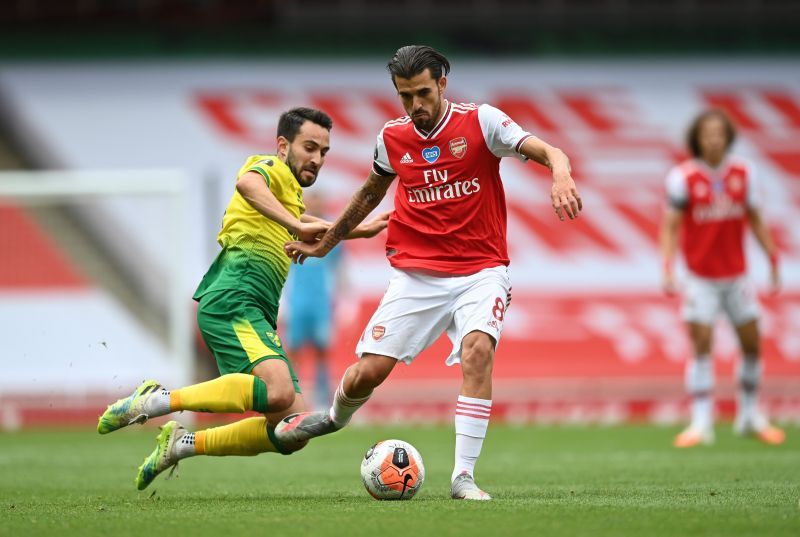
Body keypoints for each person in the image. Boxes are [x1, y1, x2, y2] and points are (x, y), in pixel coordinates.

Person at [275, 45, 582, 500]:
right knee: (366, 375)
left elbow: (548, 149)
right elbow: (368, 194)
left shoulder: (482, 122)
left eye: (422, 93)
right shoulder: (392, 138)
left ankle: (463, 477)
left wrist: (560, 173)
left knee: (478, 351)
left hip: (482, 270)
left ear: (442, 84)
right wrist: (329, 241)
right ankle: (335, 418)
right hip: (416, 276)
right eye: (405, 96)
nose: (415, 106)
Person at [96, 107, 389, 490]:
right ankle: (154, 401)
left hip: (255, 308)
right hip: (235, 295)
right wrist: (298, 224)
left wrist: (359, 230)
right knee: (281, 390)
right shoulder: (268, 167)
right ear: (283, 145)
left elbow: (312, 228)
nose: (317, 159)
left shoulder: (291, 197)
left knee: (292, 430)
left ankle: (183, 444)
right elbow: (248, 185)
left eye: (324, 152)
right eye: (310, 147)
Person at [659, 108, 785, 448]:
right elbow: (670, 226)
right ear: (697, 139)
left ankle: (749, 416)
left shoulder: (744, 172)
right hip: (700, 277)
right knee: (701, 344)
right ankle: (701, 422)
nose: (713, 139)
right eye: (706, 133)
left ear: (727, 136)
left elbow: (756, 218)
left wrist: (772, 256)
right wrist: (668, 266)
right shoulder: (683, 177)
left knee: (752, 343)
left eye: (718, 133)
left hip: (737, 276)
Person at [284, 191, 343, 409]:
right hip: (297, 303)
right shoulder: (293, 230)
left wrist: (346, 303)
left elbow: (340, 271)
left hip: (322, 304)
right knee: (293, 352)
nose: (316, 205)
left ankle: (322, 401)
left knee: (322, 352)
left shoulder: (333, 235)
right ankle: (292, 397)